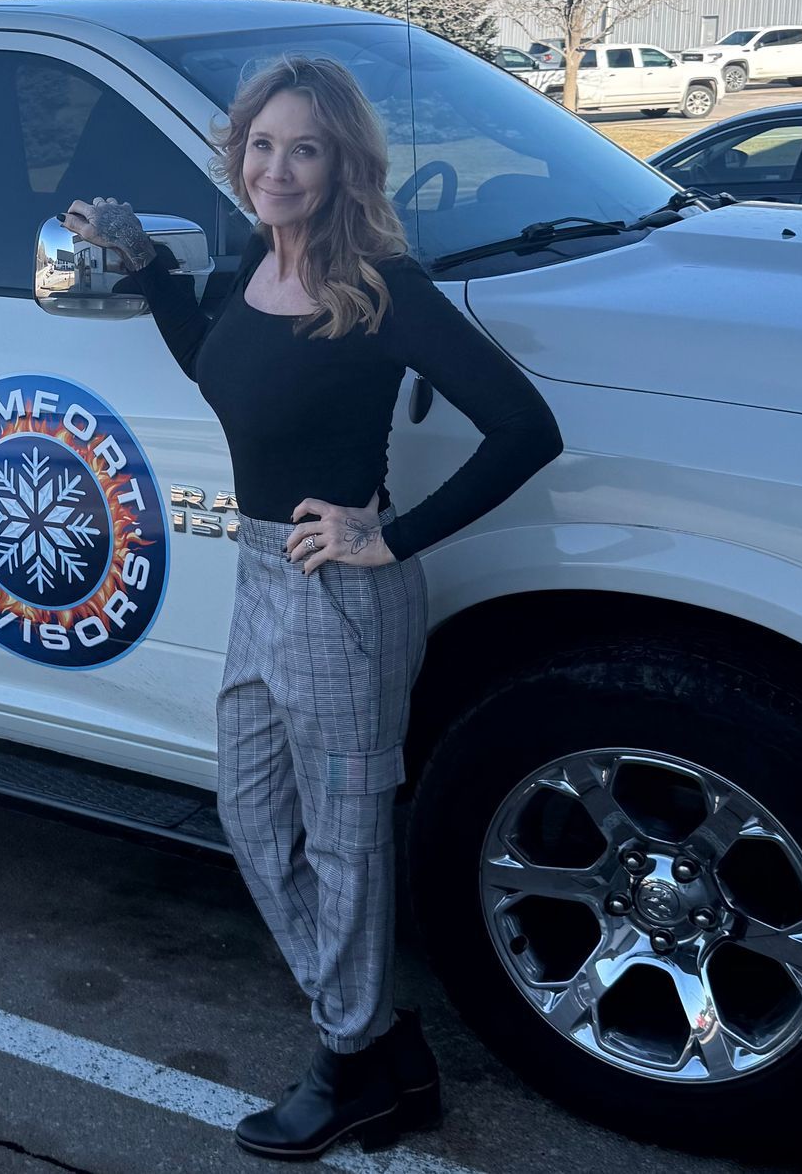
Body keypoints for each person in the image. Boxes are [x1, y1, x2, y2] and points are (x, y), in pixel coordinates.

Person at [62, 56, 562, 1160]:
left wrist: (387, 535)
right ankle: (378, 1039)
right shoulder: (252, 261)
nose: (275, 168)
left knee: (342, 844)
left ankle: (351, 1066)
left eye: (304, 148)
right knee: (249, 807)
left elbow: (527, 429)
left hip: (342, 595)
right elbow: (217, 369)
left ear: (344, 166)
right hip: (256, 575)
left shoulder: (382, 287)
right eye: (260, 144)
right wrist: (145, 265)